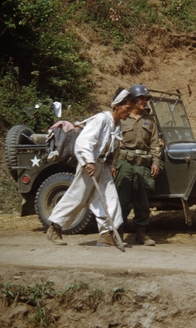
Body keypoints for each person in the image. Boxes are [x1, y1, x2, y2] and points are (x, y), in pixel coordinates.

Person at [46, 87, 136, 247]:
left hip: (102, 166)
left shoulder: (117, 125)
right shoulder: (101, 119)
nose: (128, 112)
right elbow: (83, 142)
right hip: (90, 164)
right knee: (78, 197)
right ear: (117, 106)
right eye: (127, 108)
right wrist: (88, 161)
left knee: (111, 198)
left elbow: (114, 148)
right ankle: (55, 227)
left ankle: (106, 234)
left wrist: (111, 164)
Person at [113, 84, 162, 246]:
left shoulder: (149, 120)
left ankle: (141, 234)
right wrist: (113, 164)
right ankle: (118, 233)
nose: (145, 101)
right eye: (141, 98)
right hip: (124, 164)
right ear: (132, 100)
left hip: (142, 166)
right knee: (122, 199)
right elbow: (114, 143)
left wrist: (155, 162)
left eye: (146, 99)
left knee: (142, 202)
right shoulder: (122, 117)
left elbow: (155, 143)